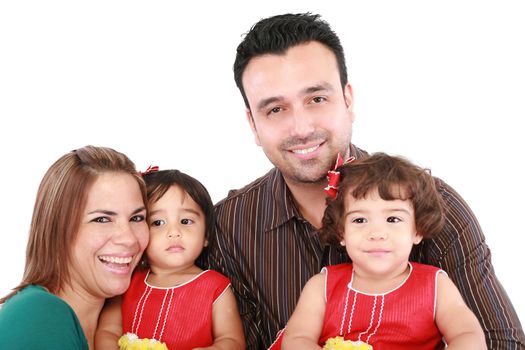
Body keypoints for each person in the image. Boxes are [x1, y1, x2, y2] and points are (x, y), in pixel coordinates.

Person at [204, 12, 525, 349]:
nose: (301, 128)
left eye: (316, 99)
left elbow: (500, 341)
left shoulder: (432, 202)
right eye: (275, 109)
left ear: (348, 100)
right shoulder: (229, 226)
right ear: (253, 125)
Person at [275, 153, 486, 349]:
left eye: (393, 219)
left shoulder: (436, 285)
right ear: (341, 232)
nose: (376, 233)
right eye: (360, 220)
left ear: (418, 229)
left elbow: (468, 335)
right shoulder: (322, 286)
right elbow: (297, 339)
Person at [0, 145, 150, 349]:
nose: (129, 239)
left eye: (137, 218)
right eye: (102, 219)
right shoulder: (39, 313)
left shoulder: (120, 327)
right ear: (57, 229)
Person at [96, 169, 245, 350]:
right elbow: (108, 331)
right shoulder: (128, 281)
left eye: (185, 221)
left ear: (206, 234)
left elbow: (232, 340)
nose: (174, 232)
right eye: (158, 223)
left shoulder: (216, 287)